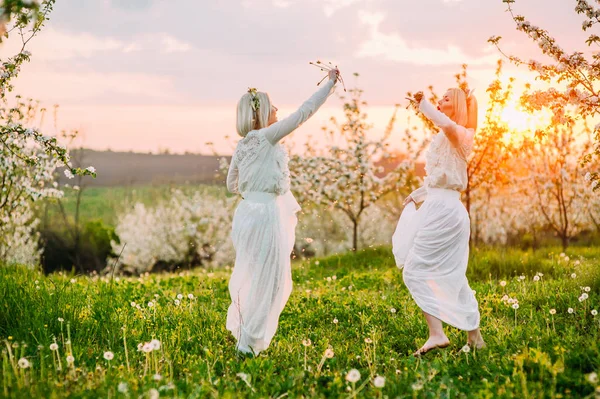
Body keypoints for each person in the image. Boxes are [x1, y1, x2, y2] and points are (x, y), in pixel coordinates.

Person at [225, 68, 339, 355]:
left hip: (245, 214)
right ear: (261, 112)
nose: (277, 109)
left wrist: (252, 190)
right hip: (264, 215)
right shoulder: (266, 137)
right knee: (271, 279)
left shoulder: (242, 145)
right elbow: (303, 113)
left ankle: (246, 334)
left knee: (253, 273)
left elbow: (230, 185)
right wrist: (330, 85)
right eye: (272, 105)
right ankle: (248, 343)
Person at [392, 87, 485, 355]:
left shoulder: (462, 134)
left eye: (446, 98)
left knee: (415, 270)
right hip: (439, 205)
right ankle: (474, 338)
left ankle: (437, 334)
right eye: (440, 98)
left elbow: (444, 124)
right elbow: (440, 178)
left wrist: (425, 105)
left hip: (444, 211)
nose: (442, 101)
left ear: (456, 105)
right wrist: (416, 195)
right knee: (452, 274)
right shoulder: (446, 137)